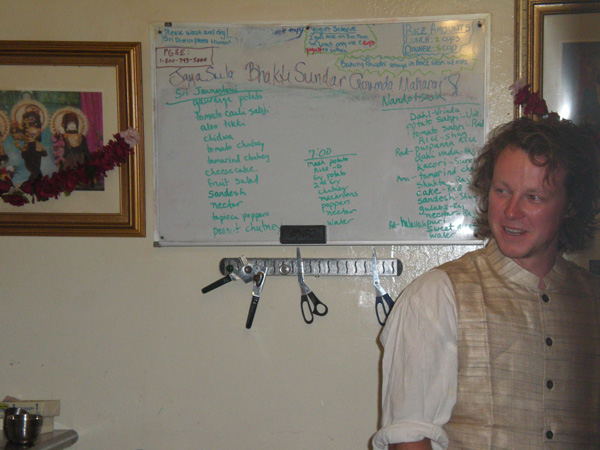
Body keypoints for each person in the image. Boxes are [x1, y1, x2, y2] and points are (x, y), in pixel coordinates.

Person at [373, 116, 600, 450]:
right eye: (502, 191)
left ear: (570, 205)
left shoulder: (591, 298)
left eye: (534, 197)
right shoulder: (437, 295)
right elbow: (408, 439)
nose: (511, 211)